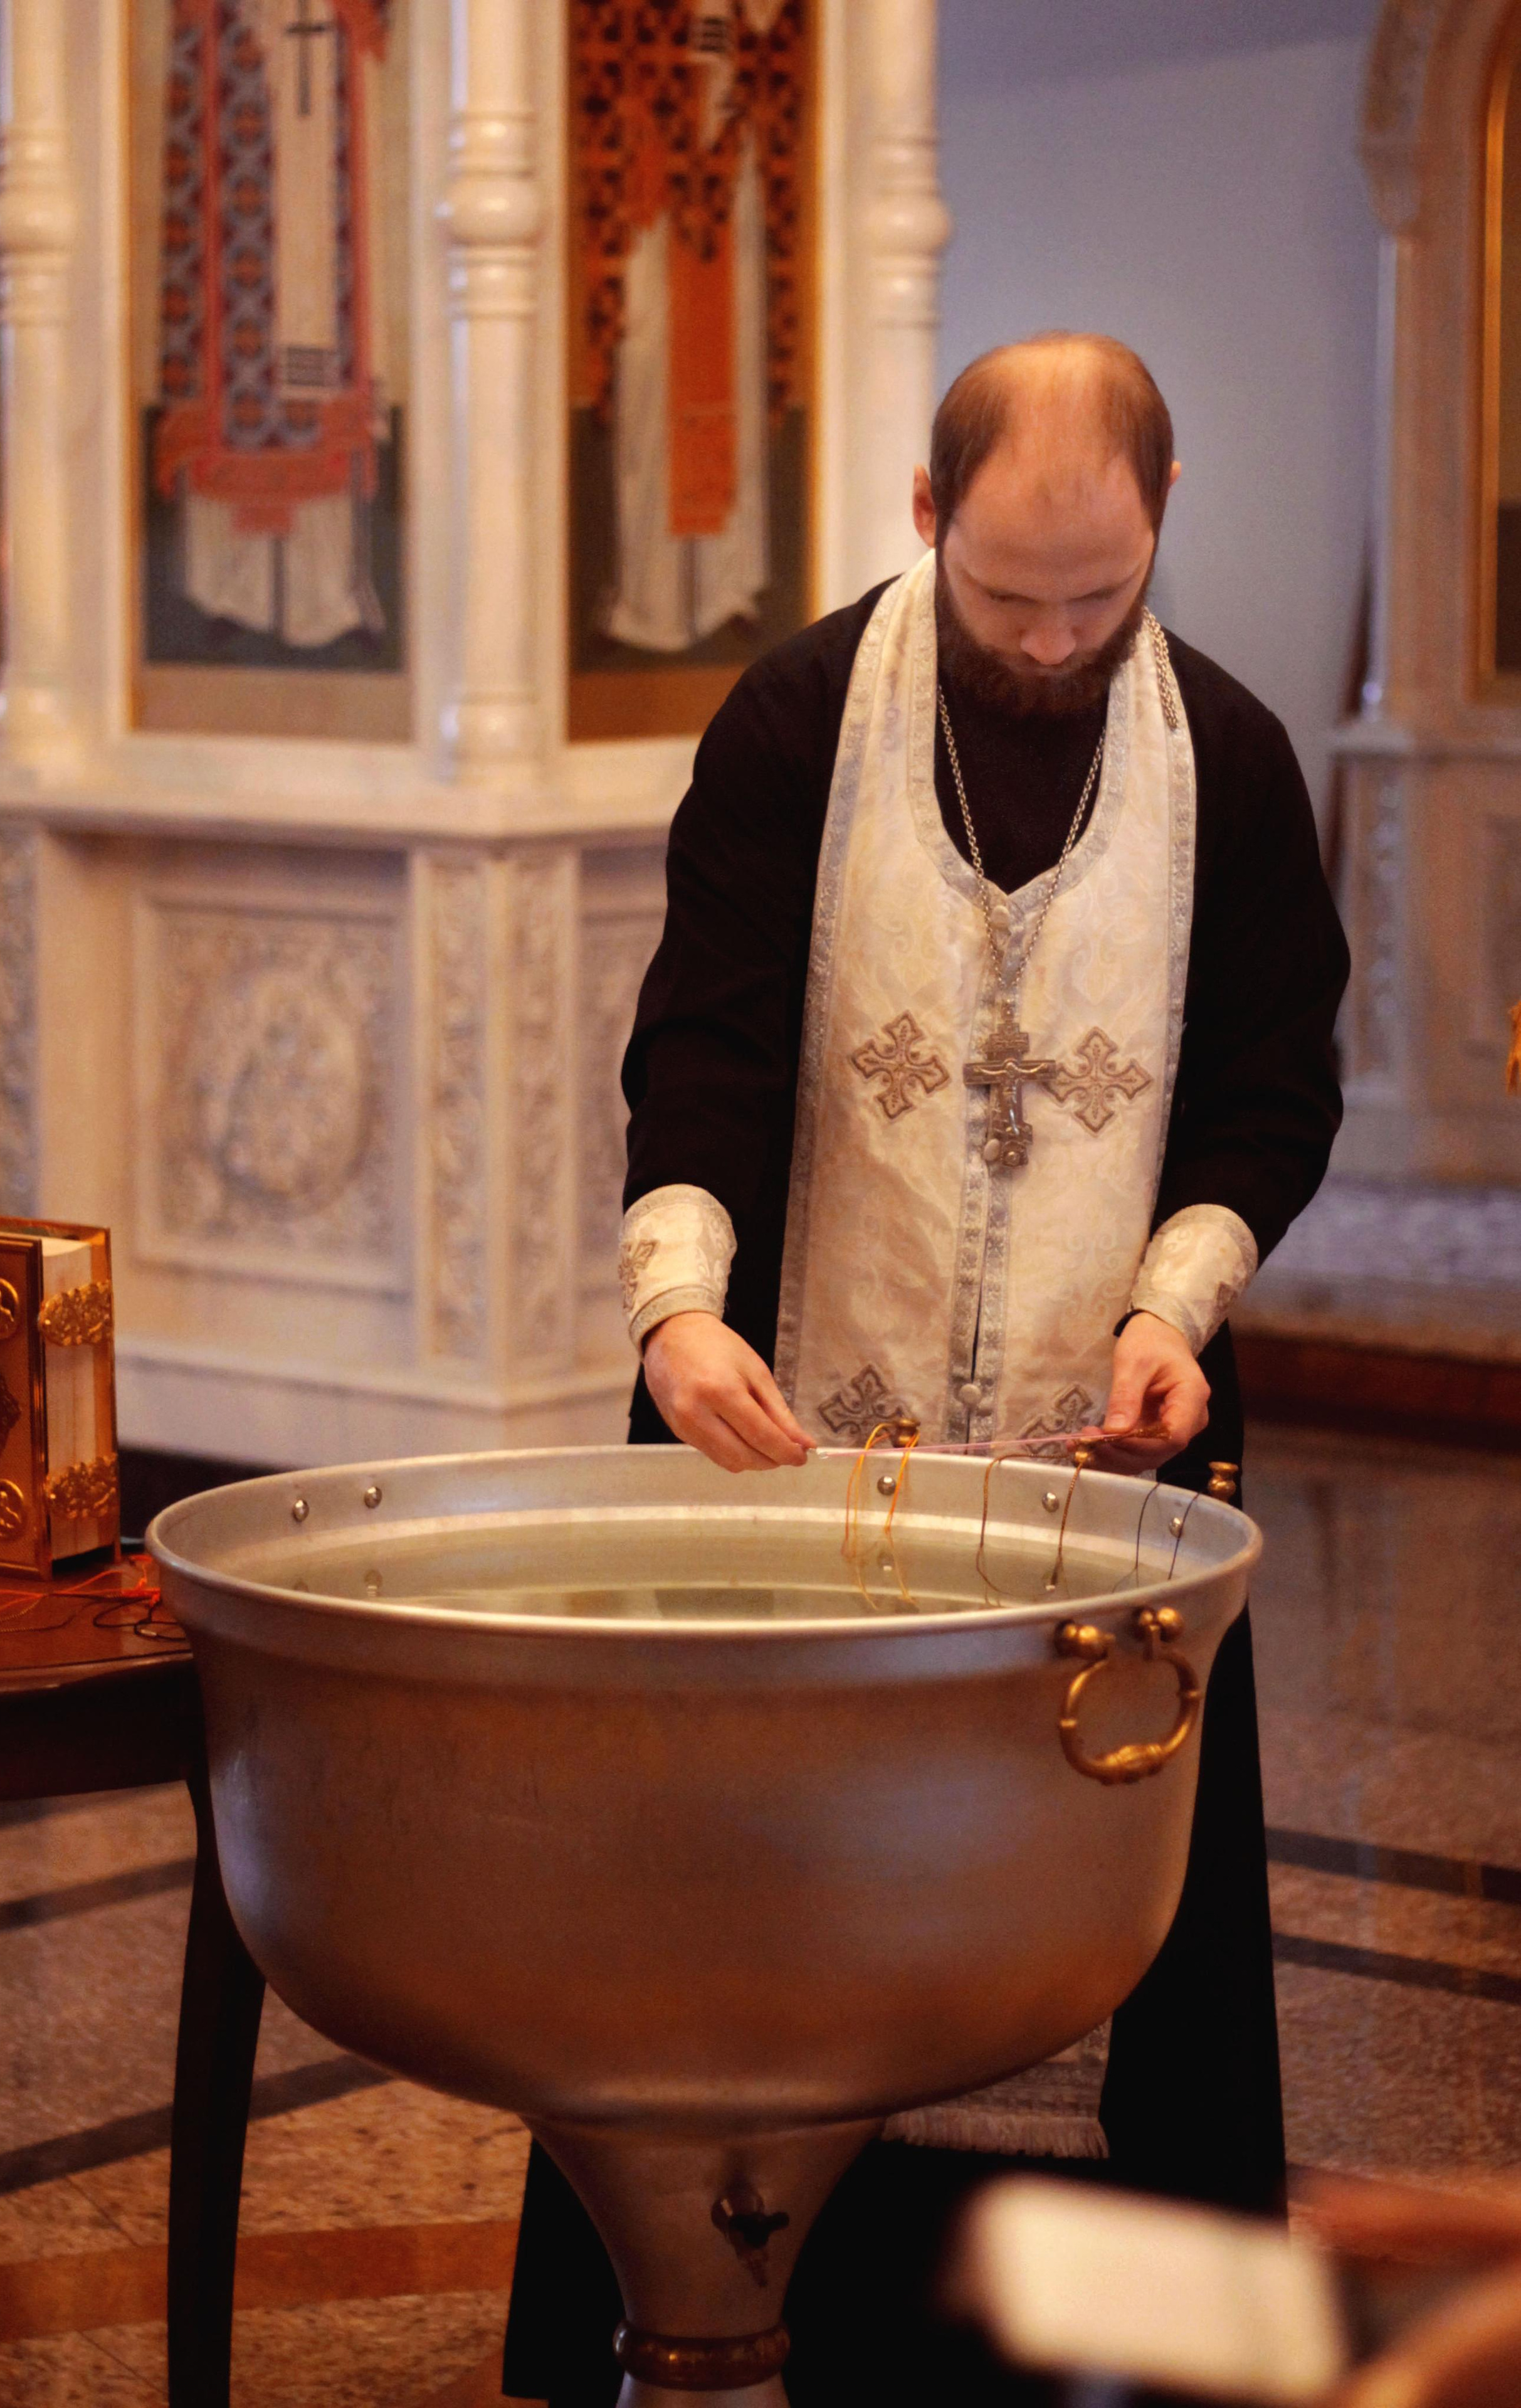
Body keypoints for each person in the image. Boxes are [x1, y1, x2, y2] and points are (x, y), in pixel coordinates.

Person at [503, 332, 1350, 2405]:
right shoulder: (798, 718)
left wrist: (1175, 1304)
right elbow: (700, 1036)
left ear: (1160, 529)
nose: (1055, 641)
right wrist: (679, 1305)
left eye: (1099, 594)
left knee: (1103, 1917)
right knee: (732, 1904)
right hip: (792, 1418)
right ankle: (720, 2312)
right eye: (1006, 596)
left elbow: (1268, 1083)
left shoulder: (1227, 757)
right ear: (921, 517)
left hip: (1097, 1430)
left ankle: (1098, 2355)